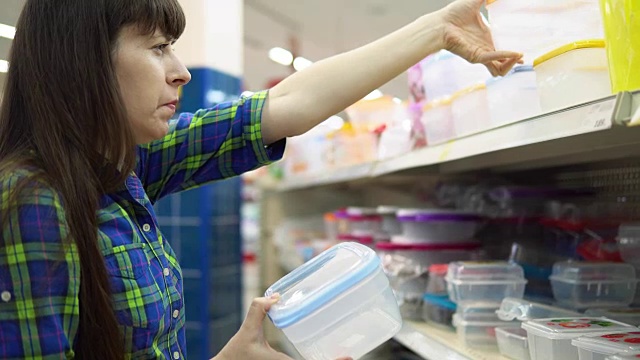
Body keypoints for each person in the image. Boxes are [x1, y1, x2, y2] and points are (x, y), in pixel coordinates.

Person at [0, 0, 522, 359]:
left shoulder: (124, 167)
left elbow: (285, 105)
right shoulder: (35, 202)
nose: (180, 71)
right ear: (86, 62)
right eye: (159, 47)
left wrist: (436, 30)